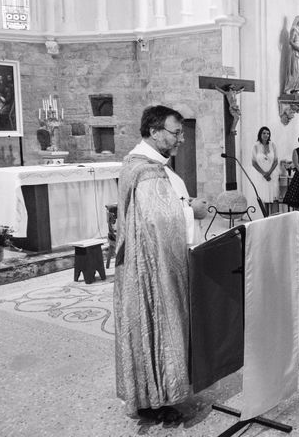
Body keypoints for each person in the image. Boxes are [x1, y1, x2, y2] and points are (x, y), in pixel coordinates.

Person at [114, 105, 208, 424]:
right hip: (151, 267)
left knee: (145, 328)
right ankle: (158, 397)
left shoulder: (139, 164)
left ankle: (149, 396)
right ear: (154, 132)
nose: (181, 138)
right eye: (175, 132)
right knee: (156, 324)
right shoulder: (147, 170)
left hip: (144, 262)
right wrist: (191, 210)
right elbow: (160, 220)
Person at [251, 126, 279, 214]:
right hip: (260, 175)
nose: (266, 135)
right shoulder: (255, 146)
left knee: (272, 196)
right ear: (260, 134)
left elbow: (276, 161)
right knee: (263, 197)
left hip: (272, 174)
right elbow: (254, 163)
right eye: (264, 133)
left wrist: (269, 173)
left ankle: (272, 217)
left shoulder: (272, 144)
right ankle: (264, 217)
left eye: (268, 133)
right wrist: (264, 174)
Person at [284, 15, 299, 94]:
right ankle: (291, 88)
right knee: (295, 70)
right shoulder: (293, 30)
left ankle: (297, 87)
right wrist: (298, 48)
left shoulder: (298, 31)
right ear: (297, 21)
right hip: (295, 53)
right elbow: (291, 42)